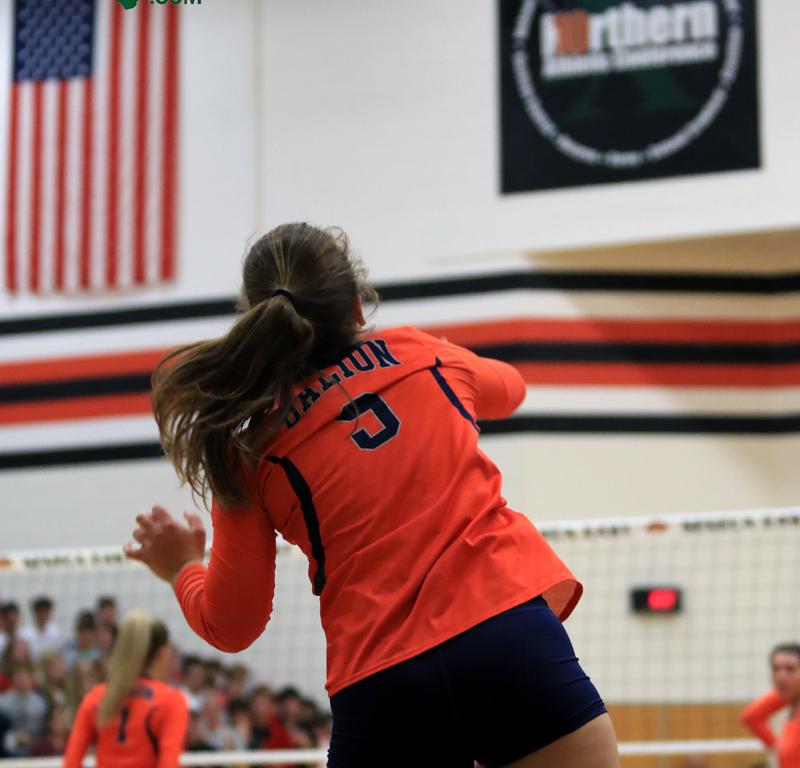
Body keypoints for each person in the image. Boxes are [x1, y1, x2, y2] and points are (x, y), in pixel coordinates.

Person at [125, 223, 619, 768]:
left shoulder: (250, 451)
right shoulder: (423, 355)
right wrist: (428, 359)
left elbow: (232, 625)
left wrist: (182, 567)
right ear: (357, 308)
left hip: (384, 683)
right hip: (508, 637)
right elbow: (511, 389)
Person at [62, 610, 189, 768]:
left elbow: (71, 762)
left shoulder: (97, 697)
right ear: (161, 653)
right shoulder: (171, 701)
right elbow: (169, 764)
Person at [742, 643, 800, 767]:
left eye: (790, 669)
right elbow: (751, 716)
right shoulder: (790, 696)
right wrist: (777, 747)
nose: (781, 676)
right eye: (775, 669)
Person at [19, 597, 62, 662]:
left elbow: (57, 652)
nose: (44, 615)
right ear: (36, 613)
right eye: (41, 612)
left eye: (46, 612)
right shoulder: (25, 633)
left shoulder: (55, 630)